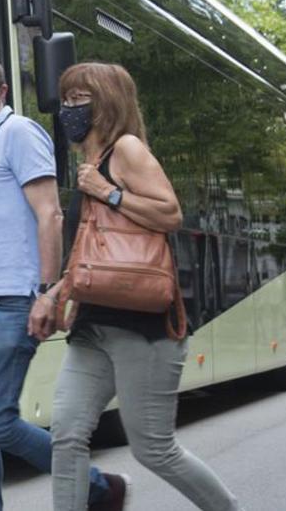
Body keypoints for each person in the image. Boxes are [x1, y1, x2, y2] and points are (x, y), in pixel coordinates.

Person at [47, 62, 240, 511]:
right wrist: (54, 292)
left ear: (107, 103)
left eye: (80, 100)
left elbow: (170, 214)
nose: (69, 109)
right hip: (93, 325)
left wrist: (109, 192)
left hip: (143, 327)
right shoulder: (88, 164)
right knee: (67, 434)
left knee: (153, 447)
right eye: (67, 100)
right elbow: (87, 249)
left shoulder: (126, 150)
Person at [0, 53, 121, 511]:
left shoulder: (19, 134)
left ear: (1, 91)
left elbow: (50, 215)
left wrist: (48, 291)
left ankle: (98, 486)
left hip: (12, 300)